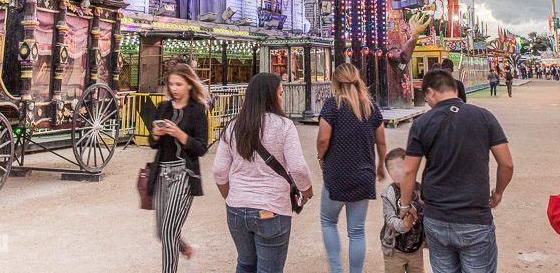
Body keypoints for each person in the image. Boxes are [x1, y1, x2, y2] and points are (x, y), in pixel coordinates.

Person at [399, 69, 514, 273]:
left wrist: (405, 205)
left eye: (426, 97)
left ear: (431, 92)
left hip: (437, 219)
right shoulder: (484, 117)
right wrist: (498, 192)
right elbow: (506, 163)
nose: (427, 102)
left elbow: (409, 171)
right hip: (475, 218)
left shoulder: (422, 123)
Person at [213, 73, 313, 273]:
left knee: (245, 264)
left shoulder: (233, 126)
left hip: (236, 209)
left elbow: (219, 170)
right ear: (271, 96)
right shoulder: (284, 126)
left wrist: (231, 196)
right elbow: (298, 167)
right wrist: (307, 192)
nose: (281, 98)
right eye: (280, 93)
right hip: (272, 208)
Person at [317, 63, 387, 273]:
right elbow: (381, 142)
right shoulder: (370, 107)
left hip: (336, 173)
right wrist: (380, 164)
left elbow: (323, 139)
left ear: (335, 82)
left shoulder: (331, 106)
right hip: (363, 174)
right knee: (356, 231)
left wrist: (321, 158)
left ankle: (336, 270)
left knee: (328, 222)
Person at [149, 63, 210, 273]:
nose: (174, 88)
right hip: (161, 173)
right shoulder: (163, 107)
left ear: (190, 85)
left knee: (168, 231)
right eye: (171, 84)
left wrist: (179, 135)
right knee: (161, 231)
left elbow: (202, 147)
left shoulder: (197, 111)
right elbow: (153, 143)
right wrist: (156, 134)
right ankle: (187, 249)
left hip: (184, 173)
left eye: (179, 84)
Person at [380, 148, 426, 273]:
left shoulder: (420, 190)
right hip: (394, 250)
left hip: (416, 250)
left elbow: (427, 215)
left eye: (399, 166)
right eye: (391, 168)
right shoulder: (388, 193)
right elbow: (389, 219)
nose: (395, 171)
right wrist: (404, 225)